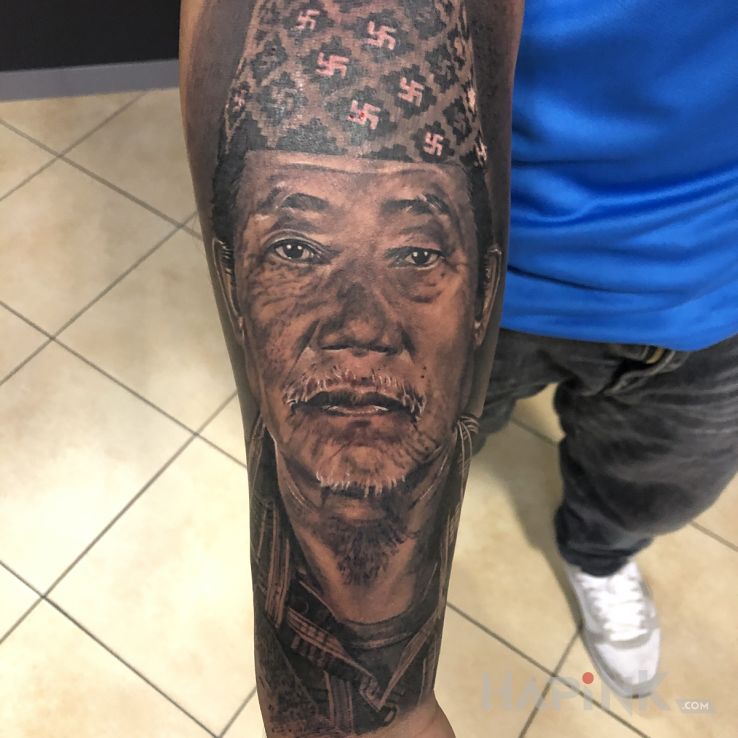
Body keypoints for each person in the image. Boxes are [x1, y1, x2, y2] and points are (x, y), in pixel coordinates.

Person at [179, 0, 737, 735]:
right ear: (233, 281)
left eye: (414, 254)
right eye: (298, 251)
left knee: (652, 492)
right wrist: (378, 718)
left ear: (470, 287)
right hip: (518, 285)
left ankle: (598, 556)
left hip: (719, 288)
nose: (360, 328)